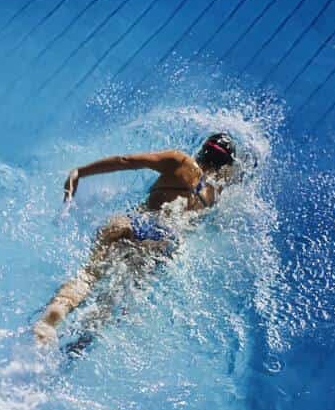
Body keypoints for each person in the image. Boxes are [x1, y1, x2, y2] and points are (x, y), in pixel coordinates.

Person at [33, 132, 241, 348]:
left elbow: (126, 161)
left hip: (135, 224)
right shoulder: (211, 196)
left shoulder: (181, 162)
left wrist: (79, 172)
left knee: (89, 275)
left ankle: (56, 313)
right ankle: (79, 345)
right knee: (113, 297)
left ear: (202, 150)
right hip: (162, 243)